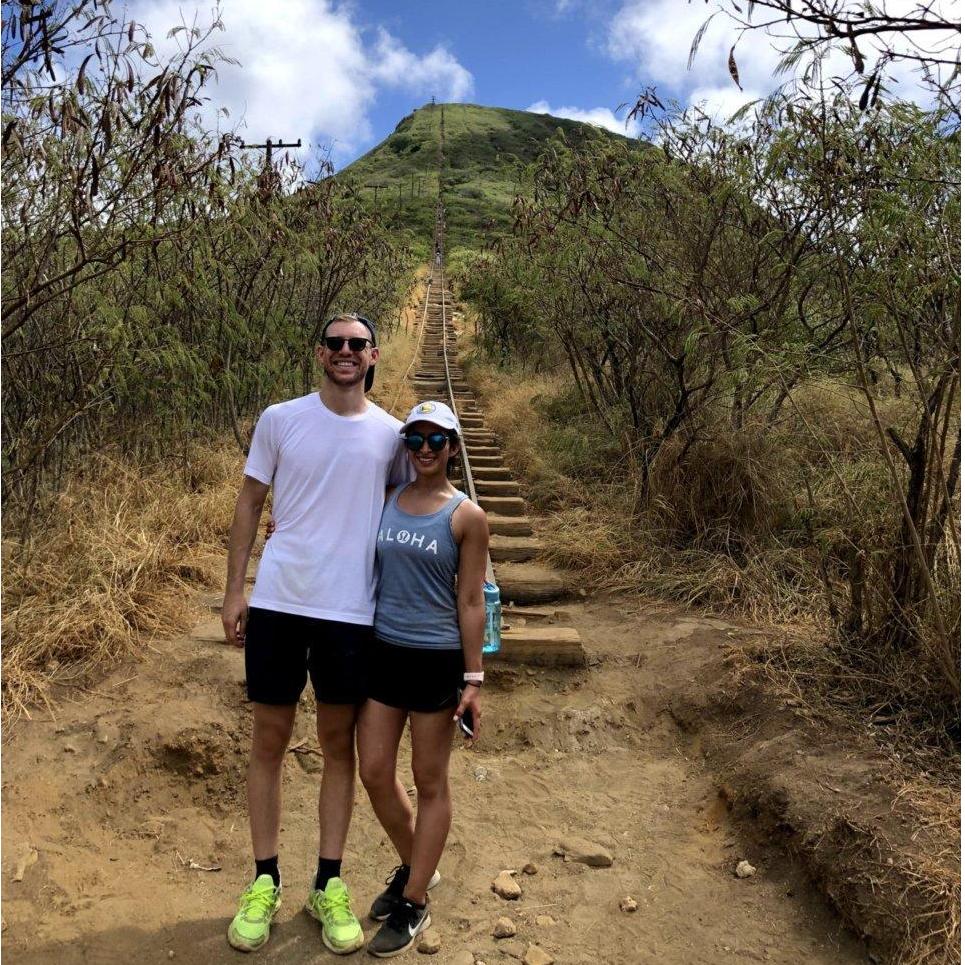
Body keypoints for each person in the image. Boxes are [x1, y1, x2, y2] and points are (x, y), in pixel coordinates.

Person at [222, 313, 412, 955]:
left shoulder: (392, 435)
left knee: (338, 748)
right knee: (269, 741)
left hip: (351, 611)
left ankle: (328, 884)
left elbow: (409, 513)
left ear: (373, 354)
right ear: (319, 354)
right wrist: (234, 589)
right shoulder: (281, 419)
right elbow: (250, 502)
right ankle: (264, 880)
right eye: (335, 344)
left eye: (357, 344)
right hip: (279, 601)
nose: (345, 353)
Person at [357, 400, 490, 958]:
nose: (427, 450)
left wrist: (474, 678)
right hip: (384, 652)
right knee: (374, 771)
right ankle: (419, 864)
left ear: (453, 448)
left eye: (438, 441)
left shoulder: (465, 517)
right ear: (406, 447)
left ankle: (415, 900)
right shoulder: (387, 501)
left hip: (436, 659)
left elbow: (469, 600)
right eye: (416, 441)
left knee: (429, 779)